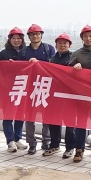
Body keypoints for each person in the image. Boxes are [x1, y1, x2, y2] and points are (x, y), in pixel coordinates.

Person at [19, 24, 56, 154]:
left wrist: (38, 63)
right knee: (30, 117)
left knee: (47, 116)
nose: (35, 36)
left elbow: (54, 66)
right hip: (30, 87)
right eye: (33, 34)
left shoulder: (49, 49)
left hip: (45, 86)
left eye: (37, 34)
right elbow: (19, 69)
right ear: (29, 37)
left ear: (41, 35)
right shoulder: (24, 51)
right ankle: (32, 143)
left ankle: (46, 141)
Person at [68, 25, 91, 163]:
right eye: (86, 36)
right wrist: (74, 68)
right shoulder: (77, 54)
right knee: (81, 122)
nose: (88, 38)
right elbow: (67, 71)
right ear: (82, 38)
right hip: (81, 94)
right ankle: (79, 149)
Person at [0, 27, 28, 153]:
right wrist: (7, 66)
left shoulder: (26, 52)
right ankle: (10, 141)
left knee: (20, 115)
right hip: (8, 89)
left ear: (22, 40)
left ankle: (18, 138)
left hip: (22, 88)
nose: (16, 40)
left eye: (19, 38)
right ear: (9, 40)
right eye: (13, 38)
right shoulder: (3, 54)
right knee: (8, 115)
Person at [45, 33, 74, 158]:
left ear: (69, 45)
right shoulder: (52, 59)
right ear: (56, 45)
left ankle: (70, 147)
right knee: (53, 121)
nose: (62, 45)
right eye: (60, 43)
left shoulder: (74, 58)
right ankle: (54, 145)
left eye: (65, 43)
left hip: (69, 96)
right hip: (55, 96)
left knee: (70, 123)